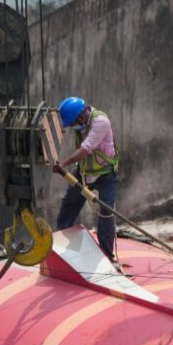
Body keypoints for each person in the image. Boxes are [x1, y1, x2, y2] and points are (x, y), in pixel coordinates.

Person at [52, 96, 120, 261]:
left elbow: (85, 149)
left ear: (81, 116)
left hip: (105, 173)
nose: (73, 127)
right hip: (84, 173)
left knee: (106, 212)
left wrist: (63, 163)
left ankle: (107, 255)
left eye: (73, 123)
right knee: (69, 204)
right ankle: (61, 250)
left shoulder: (100, 122)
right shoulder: (80, 122)